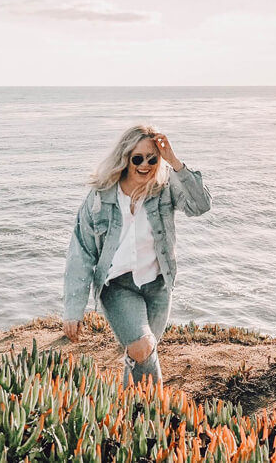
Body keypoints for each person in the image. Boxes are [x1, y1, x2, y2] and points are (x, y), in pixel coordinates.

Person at [62, 124, 211, 387]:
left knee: (140, 355)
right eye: (138, 158)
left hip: (158, 286)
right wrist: (73, 309)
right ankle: (157, 412)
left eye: (152, 159)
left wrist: (174, 162)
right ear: (125, 158)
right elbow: (81, 252)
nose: (145, 165)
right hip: (117, 286)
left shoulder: (164, 188)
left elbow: (200, 205)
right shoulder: (101, 197)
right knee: (143, 347)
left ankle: (129, 412)